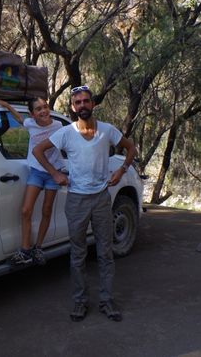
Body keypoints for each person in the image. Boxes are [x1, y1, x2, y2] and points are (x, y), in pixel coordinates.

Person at [32, 85, 137, 323]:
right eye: (77, 102)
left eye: (86, 101)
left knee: (105, 252)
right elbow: (39, 150)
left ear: (93, 104)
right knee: (78, 254)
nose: (82, 105)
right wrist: (54, 174)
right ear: (72, 107)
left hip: (101, 199)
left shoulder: (107, 131)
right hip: (76, 200)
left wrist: (121, 170)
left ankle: (107, 300)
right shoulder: (66, 133)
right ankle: (80, 302)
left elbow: (131, 148)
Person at [0, 98, 64, 266]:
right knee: (26, 210)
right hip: (37, 172)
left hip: (54, 172)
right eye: (39, 109)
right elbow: (18, 118)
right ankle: (25, 250)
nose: (43, 111)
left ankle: (38, 248)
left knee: (46, 210)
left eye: (45, 107)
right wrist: (6, 105)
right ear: (33, 115)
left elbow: (70, 144)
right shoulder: (30, 124)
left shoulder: (59, 126)